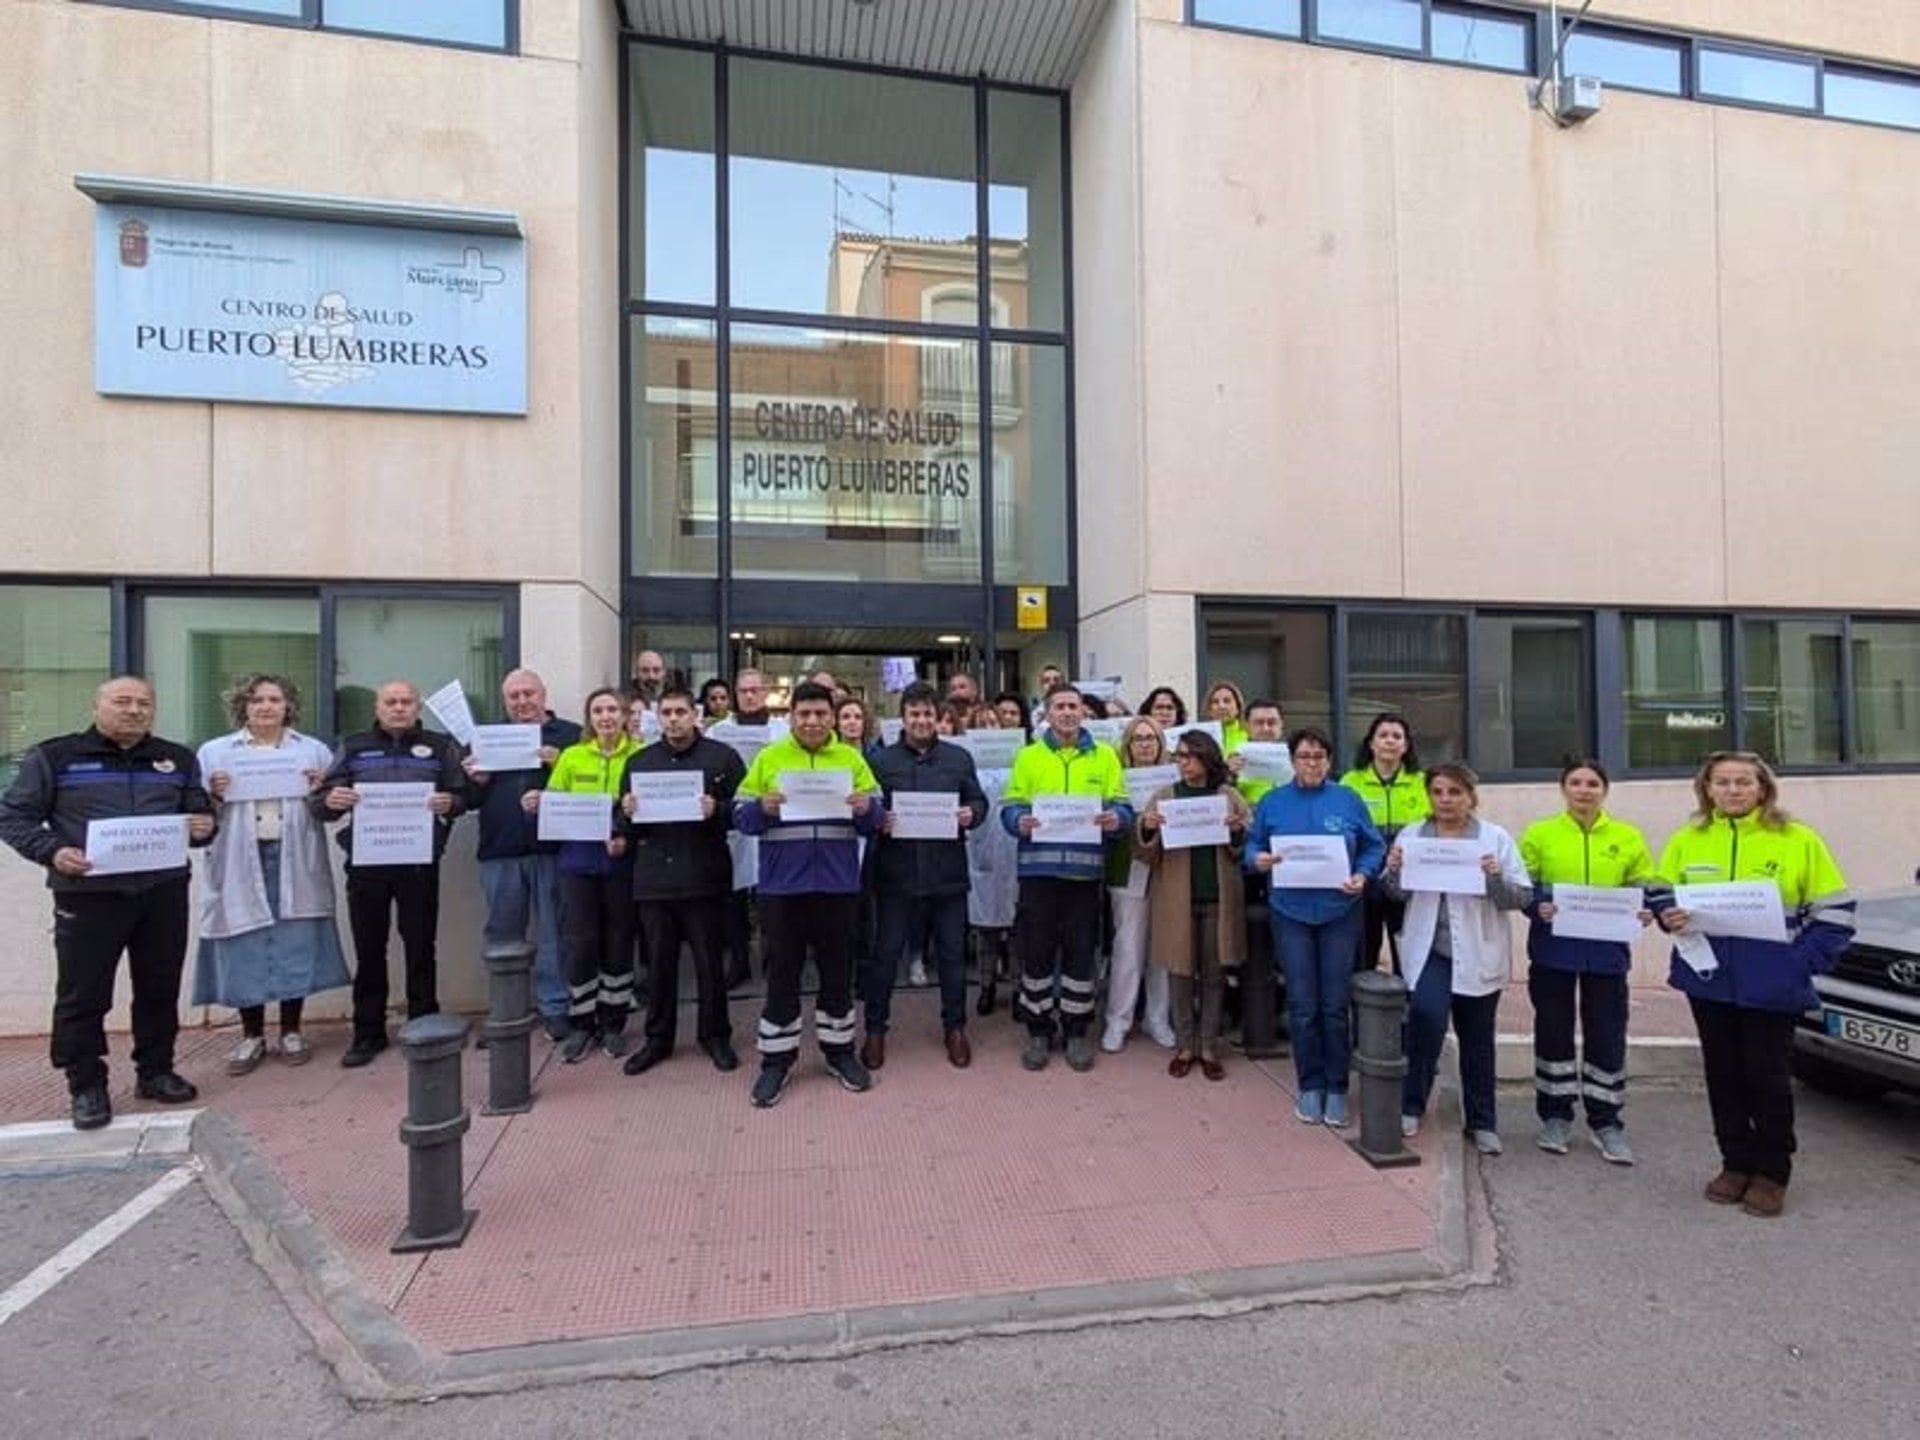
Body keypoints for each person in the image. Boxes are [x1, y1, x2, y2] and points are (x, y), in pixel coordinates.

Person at [0, 677, 217, 1130]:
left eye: (144, 703)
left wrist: (204, 825)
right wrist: (53, 851)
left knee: (159, 987)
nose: (134, 710)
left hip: (162, 892)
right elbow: (14, 816)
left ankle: (156, 1071)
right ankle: (86, 1085)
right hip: (88, 896)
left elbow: (199, 812)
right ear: (97, 705)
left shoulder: (176, 758)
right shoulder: (55, 756)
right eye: (122, 701)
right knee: (83, 993)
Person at [1651, 752, 1852, 1218]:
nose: (1733, 790)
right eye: (1722, 782)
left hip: (1772, 985)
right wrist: (1669, 916)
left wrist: (1796, 964)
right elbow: (1661, 891)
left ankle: (1773, 1171)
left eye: (1744, 782)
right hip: (1709, 979)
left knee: (1767, 1077)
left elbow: (1837, 914)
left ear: (1763, 788)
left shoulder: (1799, 840)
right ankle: (1735, 1163)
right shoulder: (1688, 839)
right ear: (1707, 789)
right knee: (1722, 1074)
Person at [732, 681, 885, 1108]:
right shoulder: (769, 758)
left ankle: (839, 1052)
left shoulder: (852, 759)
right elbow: (739, 816)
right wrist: (759, 808)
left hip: (837, 885)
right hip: (783, 887)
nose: (814, 721)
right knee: (782, 974)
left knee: (838, 973)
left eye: (821, 714)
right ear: (792, 717)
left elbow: (878, 816)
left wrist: (866, 810)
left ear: (833, 717)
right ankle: (776, 1061)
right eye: (805, 714)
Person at [194, 673, 349, 1074]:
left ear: (288, 706)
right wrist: (213, 793)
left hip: (294, 854)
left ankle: (292, 1030)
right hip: (239, 858)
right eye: (257, 699)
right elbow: (196, 815)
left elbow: (331, 810)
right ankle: (251, 1036)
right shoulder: (215, 753)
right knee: (245, 939)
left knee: (293, 939)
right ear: (242, 706)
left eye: (275, 699)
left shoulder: (311, 750)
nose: (266, 706)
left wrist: (322, 791)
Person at [311, 679, 467, 1068]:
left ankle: (425, 1023)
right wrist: (331, 799)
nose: (399, 708)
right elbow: (321, 802)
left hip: (419, 862)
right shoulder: (354, 746)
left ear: (417, 707)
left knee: (420, 946)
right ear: (377, 708)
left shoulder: (440, 745)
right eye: (391, 702)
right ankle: (367, 1033)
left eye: (406, 701)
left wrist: (452, 802)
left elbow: (463, 794)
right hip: (367, 863)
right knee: (369, 949)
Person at [1383, 763, 1531, 1153]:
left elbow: (1520, 898)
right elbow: (1395, 895)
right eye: (1438, 792)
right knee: (1425, 1022)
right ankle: (1412, 1105)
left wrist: (1495, 877)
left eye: (1455, 792)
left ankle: (1482, 1121)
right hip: (1430, 950)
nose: (1446, 800)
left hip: (1480, 951)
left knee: (1477, 1038)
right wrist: (1395, 871)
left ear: (1471, 795)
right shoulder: (1414, 835)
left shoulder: (1495, 839)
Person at [1519, 760, 1656, 1164]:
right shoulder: (1540, 833)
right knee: (1552, 1031)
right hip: (1553, 950)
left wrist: (1645, 909)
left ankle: (1606, 1121)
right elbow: (1523, 885)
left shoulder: (1627, 836)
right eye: (1575, 783)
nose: (1584, 790)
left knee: (1607, 1033)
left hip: (1608, 954)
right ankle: (1555, 1116)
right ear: (1563, 789)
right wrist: (1536, 905)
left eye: (1592, 783)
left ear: (1604, 790)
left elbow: (1643, 884)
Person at [1245, 727, 1383, 1125]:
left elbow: (1373, 846)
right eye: (1305, 756)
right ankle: (1310, 1084)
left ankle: (1337, 1087)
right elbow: (1252, 846)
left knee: (1335, 1006)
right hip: (1290, 912)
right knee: (1303, 1005)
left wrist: (1363, 874)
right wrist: (1258, 861)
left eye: (1320, 756)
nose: (1312, 763)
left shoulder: (1348, 799)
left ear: (1330, 761)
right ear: (1292, 760)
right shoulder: (1273, 802)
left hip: (1340, 912)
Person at [1001, 683, 1132, 1072]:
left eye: (1073, 706)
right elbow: (1010, 808)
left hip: (1084, 875)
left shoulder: (1105, 757)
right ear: (1047, 712)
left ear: (1083, 712)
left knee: (1080, 954)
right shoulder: (1028, 756)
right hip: (1038, 873)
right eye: (1059, 706)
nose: (1067, 713)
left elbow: (1123, 806)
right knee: (1036, 951)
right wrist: (1017, 822)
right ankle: (1038, 1031)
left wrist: (1117, 820)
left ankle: (1076, 1031)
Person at [620, 686, 746, 1075]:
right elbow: (624, 826)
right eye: (667, 713)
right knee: (659, 965)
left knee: (710, 964)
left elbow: (744, 812)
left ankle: (715, 1036)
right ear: (659, 718)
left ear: (695, 715)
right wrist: (624, 811)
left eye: (680, 712)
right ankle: (658, 1039)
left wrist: (718, 808)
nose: (673, 719)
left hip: (704, 876)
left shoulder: (722, 757)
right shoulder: (639, 762)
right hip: (655, 878)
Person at [865, 682, 989, 1069]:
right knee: (885, 956)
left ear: (939, 718)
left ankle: (955, 1028)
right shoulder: (882, 761)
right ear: (902, 718)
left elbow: (978, 800)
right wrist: (877, 819)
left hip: (946, 874)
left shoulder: (958, 758)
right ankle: (875, 1030)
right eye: (914, 714)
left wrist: (973, 814)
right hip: (895, 875)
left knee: (952, 957)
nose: (921, 720)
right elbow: (868, 808)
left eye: (927, 714)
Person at [466, 668, 581, 1043]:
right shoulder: (487, 739)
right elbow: (466, 801)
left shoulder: (571, 735)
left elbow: (588, 789)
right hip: (499, 850)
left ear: (544, 695)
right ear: (504, 701)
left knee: (554, 932)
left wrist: (559, 762)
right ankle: (506, 1011)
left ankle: (555, 1008)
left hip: (553, 848)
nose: (522, 702)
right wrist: (475, 782)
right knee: (502, 933)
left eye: (529, 693)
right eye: (513, 696)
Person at [1137, 731, 1251, 1081]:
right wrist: (1146, 827)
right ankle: (1185, 1044)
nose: (1183, 762)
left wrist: (1236, 832)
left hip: (1218, 896)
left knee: (1214, 975)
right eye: (1179, 756)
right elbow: (1145, 853)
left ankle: (1208, 1045)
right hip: (1176, 896)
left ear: (1207, 758)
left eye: (1190, 756)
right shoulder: (1165, 796)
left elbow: (1244, 846)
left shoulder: (1228, 795)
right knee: (1180, 972)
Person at [536, 689, 640, 1062]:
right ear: (589, 718)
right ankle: (582, 1022)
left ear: (625, 715)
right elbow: (555, 800)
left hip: (621, 861)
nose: (606, 716)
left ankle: (613, 1022)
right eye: (598, 710)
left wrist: (625, 835)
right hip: (577, 862)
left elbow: (644, 810)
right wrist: (538, 803)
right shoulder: (572, 756)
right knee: (580, 941)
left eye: (613, 709)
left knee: (618, 939)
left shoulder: (641, 756)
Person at [1102, 716, 1177, 1053]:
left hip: (1167, 869)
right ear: (1128, 745)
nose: (1145, 744)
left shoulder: (1173, 779)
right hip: (1127, 867)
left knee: (1161, 949)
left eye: (1151, 738)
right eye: (1138, 739)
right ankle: (1118, 1020)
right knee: (1128, 948)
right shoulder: (1116, 778)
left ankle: (1157, 1018)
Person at [1341, 713, 1430, 974]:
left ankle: (1408, 1008)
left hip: (1407, 876)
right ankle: (1362, 1008)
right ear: (1371, 743)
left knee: (1407, 946)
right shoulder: (1350, 781)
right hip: (1364, 873)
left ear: (1406, 745)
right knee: (1364, 948)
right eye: (1383, 735)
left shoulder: (1422, 782)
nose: (1390, 741)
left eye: (1397, 736)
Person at [964, 702, 1020, 1016]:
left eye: (993, 723)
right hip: (980, 847)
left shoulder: (1019, 761)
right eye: (980, 724)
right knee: (985, 926)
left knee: (1015, 926)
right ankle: (986, 986)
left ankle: (1017, 988)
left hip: (1012, 849)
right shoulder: (967, 764)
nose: (988, 729)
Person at [1203, 681, 1250, 753]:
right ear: (1209, 710)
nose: (1221, 706)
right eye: (1215, 702)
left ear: (1238, 707)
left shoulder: (1250, 734)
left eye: (1227, 701)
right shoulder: (1202, 736)